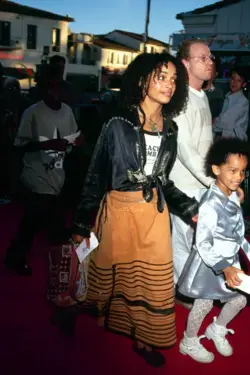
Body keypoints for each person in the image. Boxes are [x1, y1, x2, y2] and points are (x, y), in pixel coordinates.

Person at [72, 53, 199, 367]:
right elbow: (97, 172)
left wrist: (189, 209)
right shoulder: (119, 121)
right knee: (103, 281)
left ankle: (144, 340)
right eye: (161, 76)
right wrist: (80, 223)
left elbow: (162, 180)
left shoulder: (170, 128)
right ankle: (69, 311)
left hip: (153, 217)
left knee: (152, 284)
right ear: (142, 79)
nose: (169, 84)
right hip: (118, 212)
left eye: (173, 79)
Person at [178, 137, 249, 363]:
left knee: (240, 300)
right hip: (211, 263)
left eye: (243, 171)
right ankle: (188, 341)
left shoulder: (231, 195)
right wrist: (225, 267)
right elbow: (203, 243)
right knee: (204, 303)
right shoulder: (210, 204)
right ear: (216, 169)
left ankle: (216, 329)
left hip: (229, 259)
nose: (239, 177)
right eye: (233, 170)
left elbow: (239, 235)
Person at [4, 78, 81, 276]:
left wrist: (76, 142)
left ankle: (52, 265)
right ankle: (20, 260)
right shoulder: (33, 112)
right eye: (53, 90)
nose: (57, 95)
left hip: (57, 175)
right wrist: (46, 145)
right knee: (36, 220)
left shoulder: (68, 112)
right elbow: (19, 145)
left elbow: (72, 139)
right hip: (36, 176)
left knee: (38, 222)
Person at [169, 40, 215, 294]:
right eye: (203, 58)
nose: (210, 62)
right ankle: (181, 289)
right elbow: (185, 150)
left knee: (200, 240)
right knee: (182, 240)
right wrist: (216, 181)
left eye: (210, 57)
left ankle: (193, 286)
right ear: (185, 63)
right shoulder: (180, 98)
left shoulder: (202, 96)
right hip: (184, 185)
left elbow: (205, 144)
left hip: (203, 182)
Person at [0, 62, 21, 201]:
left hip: (5, 132)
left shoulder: (9, 85)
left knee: (6, 162)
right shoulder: (10, 84)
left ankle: (6, 191)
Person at [213, 66, 249, 140]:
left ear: (244, 84)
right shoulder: (228, 95)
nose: (234, 82)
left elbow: (226, 122)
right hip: (225, 137)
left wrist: (213, 121)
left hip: (235, 140)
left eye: (239, 80)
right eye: (233, 78)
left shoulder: (242, 101)